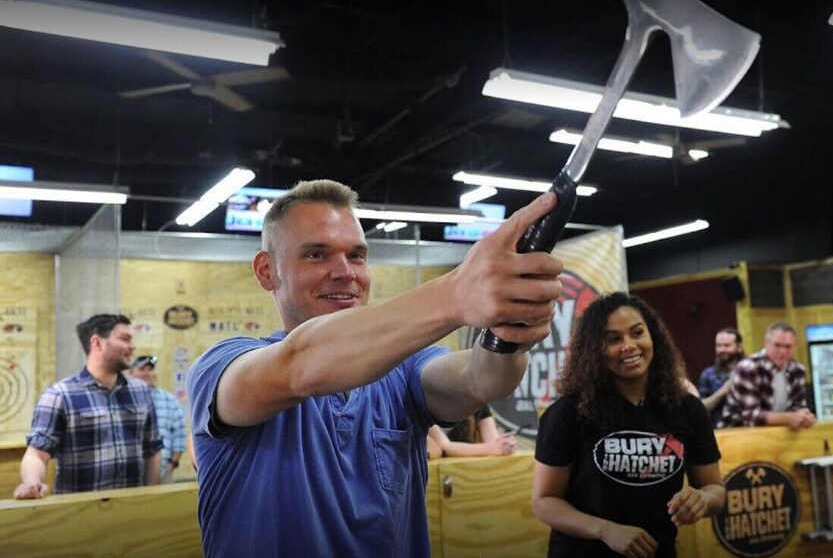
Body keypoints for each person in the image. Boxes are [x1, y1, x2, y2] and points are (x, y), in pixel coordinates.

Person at [186, 179, 562, 557]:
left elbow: (483, 379)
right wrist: (457, 293)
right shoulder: (221, 366)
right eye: (317, 255)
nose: (344, 271)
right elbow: (302, 365)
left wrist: (509, 326)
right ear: (267, 271)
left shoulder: (403, 368)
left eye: (357, 255)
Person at [532, 292, 724, 558]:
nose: (629, 345)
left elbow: (715, 490)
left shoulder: (687, 409)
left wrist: (702, 501)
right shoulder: (568, 412)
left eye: (637, 333)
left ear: (652, 337)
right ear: (594, 349)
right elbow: (544, 502)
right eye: (613, 339)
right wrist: (605, 530)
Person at [14, 314, 163, 499]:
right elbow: (37, 453)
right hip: (77, 515)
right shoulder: (59, 395)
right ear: (97, 342)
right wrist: (31, 481)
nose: (132, 346)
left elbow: (153, 449)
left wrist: (150, 496)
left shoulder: (141, 391)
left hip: (131, 512)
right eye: (125, 339)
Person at [717, 321, 816, 429]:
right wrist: (790, 418)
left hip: (777, 434)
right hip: (736, 435)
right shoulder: (747, 368)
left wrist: (805, 418)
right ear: (766, 343)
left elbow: (798, 410)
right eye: (777, 345)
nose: (783, 351)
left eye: (788, 347)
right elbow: (751, 416)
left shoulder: (798, 370)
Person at [129, 355, 187, 482]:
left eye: (150, 369)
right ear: (131, 373)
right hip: (129, 476)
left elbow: (179, 436)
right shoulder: (123, 400)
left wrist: (171, 465)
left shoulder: (169, 400)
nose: (146, 373)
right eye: (141, 369)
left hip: (162, 474)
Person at [426, 405, 517, 458]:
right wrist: (493, 448)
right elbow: (445, 446)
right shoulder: (430, 402)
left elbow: (494, 441)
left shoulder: (478, 403)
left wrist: (505, 444)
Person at [698, 327, 743, 427]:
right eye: (719, 346)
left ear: (739, 347)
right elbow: (701, 408)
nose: (722, 349)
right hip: (719, 430)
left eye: (727, 346)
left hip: (750, 429)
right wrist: (723, 391)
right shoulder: (708, 374)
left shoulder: (750, 370)